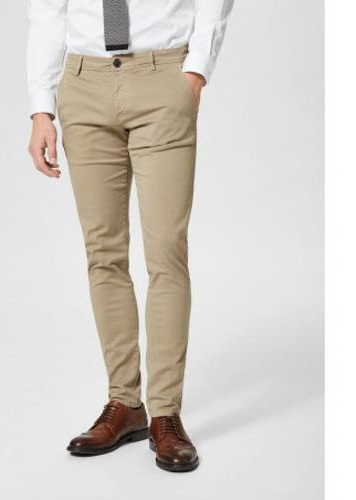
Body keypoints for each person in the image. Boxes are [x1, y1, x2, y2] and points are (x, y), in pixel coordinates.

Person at [27, 0, 234, 472]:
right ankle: (124, 404)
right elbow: (46, 11)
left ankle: (165, 414)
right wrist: (41, 109)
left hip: (163, 78)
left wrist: (196, 71)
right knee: (103, 254)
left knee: (166, 253)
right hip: (83, 83)